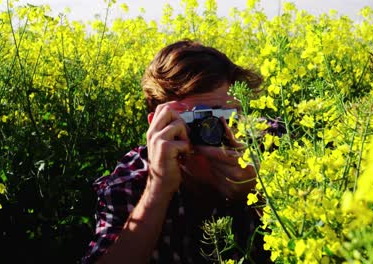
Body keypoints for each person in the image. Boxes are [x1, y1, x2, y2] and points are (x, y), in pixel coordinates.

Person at [82, 40, 270, 264]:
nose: (219, 132)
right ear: (157, 126)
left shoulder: (270, 145)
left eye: (230, 116)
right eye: (200, 120)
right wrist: (157, 189)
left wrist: (262, 193)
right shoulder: (134, 177)